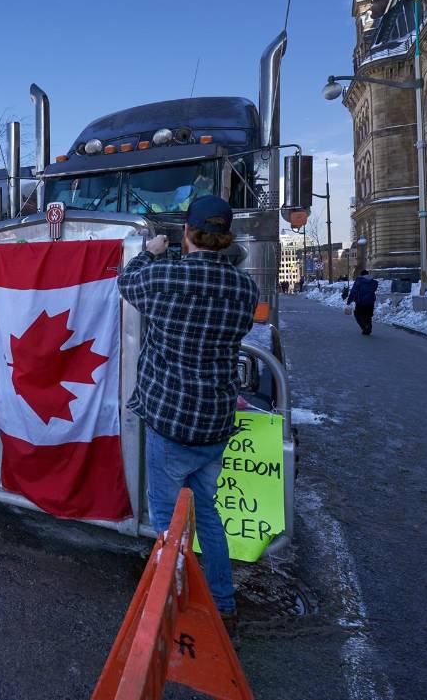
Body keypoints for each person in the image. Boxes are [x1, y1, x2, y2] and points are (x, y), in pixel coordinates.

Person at [118, 195, 259, 636]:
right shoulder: (244, 288)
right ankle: (223, 602)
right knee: (207, 513)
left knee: (166, 522)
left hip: (171, 422)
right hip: (215, 422)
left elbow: (127, 282)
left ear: (186, 233)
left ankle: (171, 602)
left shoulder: (166, 276)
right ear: (227, 238)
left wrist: (149, 253)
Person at [346, 270, 378, 335]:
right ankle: (368, 328)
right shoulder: (374, 282)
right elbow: (373, 289)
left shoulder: (359, 281)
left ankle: (365, 327)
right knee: (368, 315)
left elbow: (353, 292)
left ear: (361, 275)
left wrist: (349, 301)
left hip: (361, 301)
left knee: (357, 315)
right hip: (370, 301)